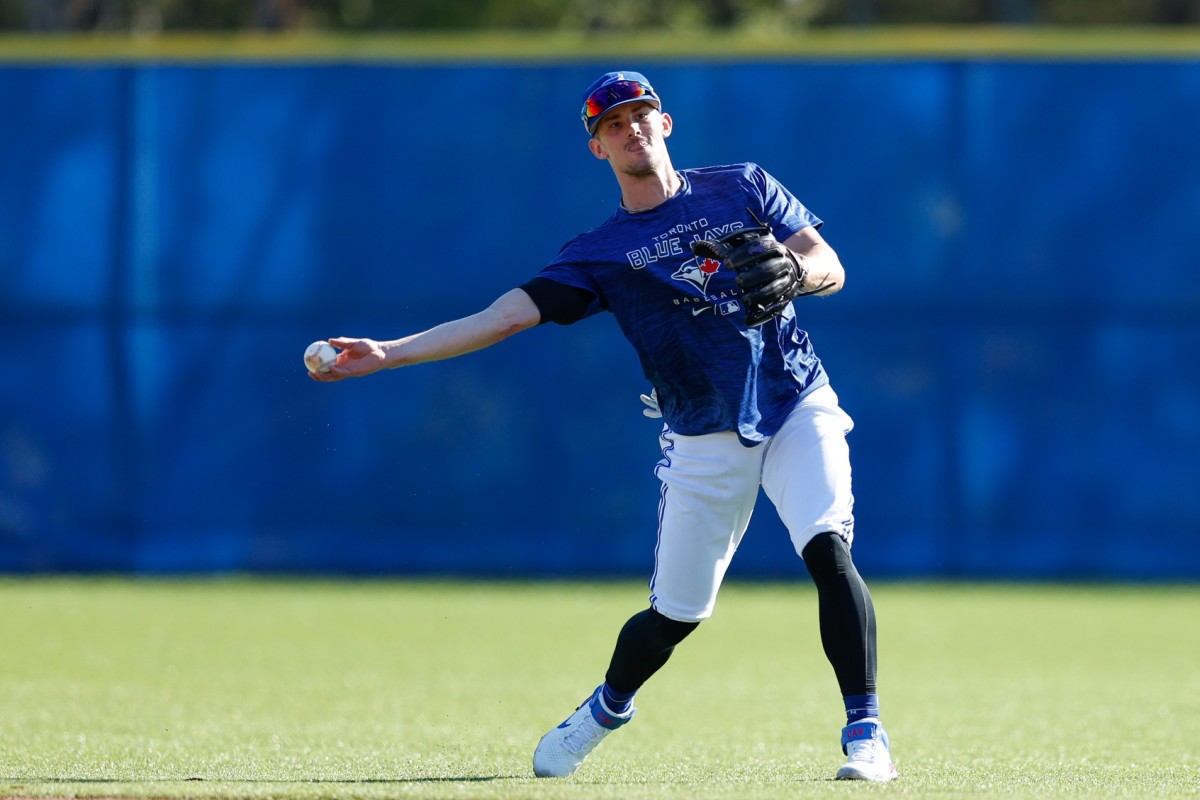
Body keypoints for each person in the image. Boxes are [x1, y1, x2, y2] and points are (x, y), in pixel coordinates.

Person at [308, 70, 898, 783]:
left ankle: (866, 732)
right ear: (597, 148)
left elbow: (827, 262)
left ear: (666, 123)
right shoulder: (601, 253)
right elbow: (504, 316)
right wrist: (391, 353)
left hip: (794, 401)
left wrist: (799, 276)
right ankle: (606, 708)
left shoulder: (741, 185)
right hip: (702, 434)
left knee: (828, 551)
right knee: (676, 616)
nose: (631, 129)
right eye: (613, 124)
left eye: (641, 115)